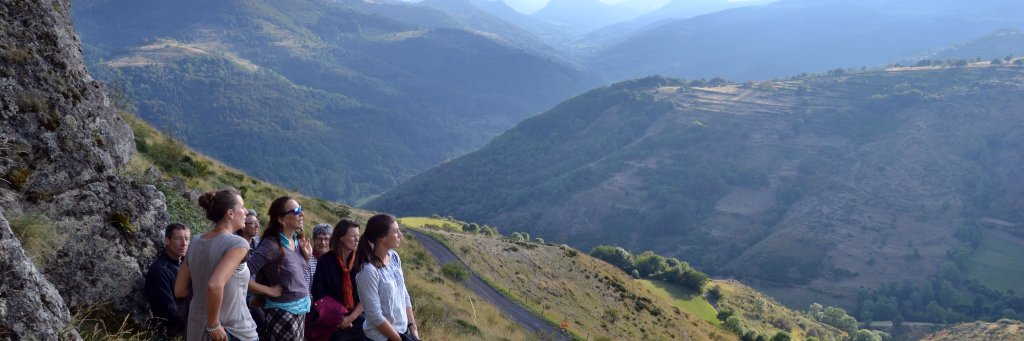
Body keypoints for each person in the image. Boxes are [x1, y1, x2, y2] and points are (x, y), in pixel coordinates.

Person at [174, 188, 259, 341]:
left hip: (195, 329)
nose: (246, 211)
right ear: (230, 213)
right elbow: (214, 284)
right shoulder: (238, 244)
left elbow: (179, 290)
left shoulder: (196, 241)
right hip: (231, 330)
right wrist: (213, 324)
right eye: (242, 207)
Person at [248, 196, 313, 340]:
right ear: (281, 220)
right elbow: (239, 275)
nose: (301, 214)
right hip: (283, 314)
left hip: (300, 310)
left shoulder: (297, 240)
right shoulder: (271, 245)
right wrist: (268, 290)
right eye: (296, 211)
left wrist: (307, 258)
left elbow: (293, 275)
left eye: (300, 209)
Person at [354, 214, 420, 341]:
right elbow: (375, 316)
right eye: (395, 231)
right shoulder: (368, 271)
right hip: (383, 338)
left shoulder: (394, 257)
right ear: (382, 237)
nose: (400, 235)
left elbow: (403, 293)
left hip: (403, 332)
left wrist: (413, 328)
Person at [311, 219, 366, 341]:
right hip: (332, 322)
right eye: (353, 236)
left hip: (358, 321)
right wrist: (339, 317)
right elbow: (318, 293)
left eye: (358, 236)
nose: (357, 239)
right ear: (341, 237)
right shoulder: (325, 261)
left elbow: (367, 294)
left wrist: (350, 318)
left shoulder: (361, 261)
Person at [144, 222, 190, 338]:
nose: (184, 243)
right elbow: (169, 311)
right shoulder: (159, 270)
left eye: (187, 239)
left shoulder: (185, 265)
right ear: (167, 241)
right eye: (178, 238)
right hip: (171, 333)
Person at [237, 209, 266, 336]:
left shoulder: (259, 242)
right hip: (243, 295)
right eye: (252, 223)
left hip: (260, 292)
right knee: (261, 320)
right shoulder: (236, 245)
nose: (257, 226)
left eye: (257, 222)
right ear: (243, 226)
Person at [308, 223, 333, 292]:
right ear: (314, 240)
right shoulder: (308, 259)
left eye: (326, 239)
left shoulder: (334, 260)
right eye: (319, 238)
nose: (323, 242)